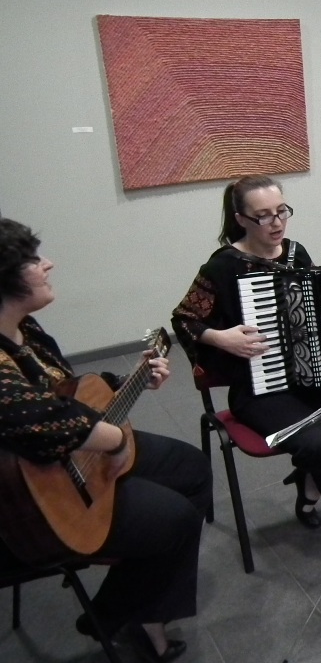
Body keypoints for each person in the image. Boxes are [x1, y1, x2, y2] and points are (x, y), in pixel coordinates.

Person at [0, 218, 211, 663]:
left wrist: (124, 382)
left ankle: (131, 599)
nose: (47, 264)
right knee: (176, 520)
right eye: (33, 259)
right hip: (27, 506)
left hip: (74, 456)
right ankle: (125, 614)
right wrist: (114, 443)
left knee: (191, 468)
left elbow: (62, 392)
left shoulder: (26, 328)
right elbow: (40, 420)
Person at [172, 175, 321, 528]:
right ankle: (317, 482)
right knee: (318, 443)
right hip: (258, 389)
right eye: (263, 216)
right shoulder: (223, 266)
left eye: (281, 211)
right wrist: (221, 338)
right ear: (241, 219)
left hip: (314, 377)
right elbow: (183, 320)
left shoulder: (296, 253)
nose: (276, 223)